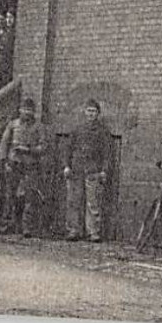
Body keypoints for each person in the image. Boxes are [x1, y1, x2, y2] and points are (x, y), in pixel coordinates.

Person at [61, 99, 111, 242]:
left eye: (94, 111)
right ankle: (73, 230)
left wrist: (104, 170)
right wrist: (66, 166)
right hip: (76, 169)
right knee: (74, 201)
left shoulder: (102, 131)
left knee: (92, 202)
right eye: (89, 110)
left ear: (98, 114)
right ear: (84, 112)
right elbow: (68, 149)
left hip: (93, 170)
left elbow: (107, 153)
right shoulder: (77, 129)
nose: (91, 114)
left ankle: (93, 232)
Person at [0, 97, 45, 236]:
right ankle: (6, 225)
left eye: (29, 110)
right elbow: (4, 143)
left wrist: (29, 149)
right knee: (9, 195)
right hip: (13, 164)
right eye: (24, 110)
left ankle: (26, 228)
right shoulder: (13, 125)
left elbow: (44, 146)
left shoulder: (39, 127)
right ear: (20, 110)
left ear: (34, 112)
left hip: (31, 165)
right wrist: (4, 161)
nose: (27, 113)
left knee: (30, 196)